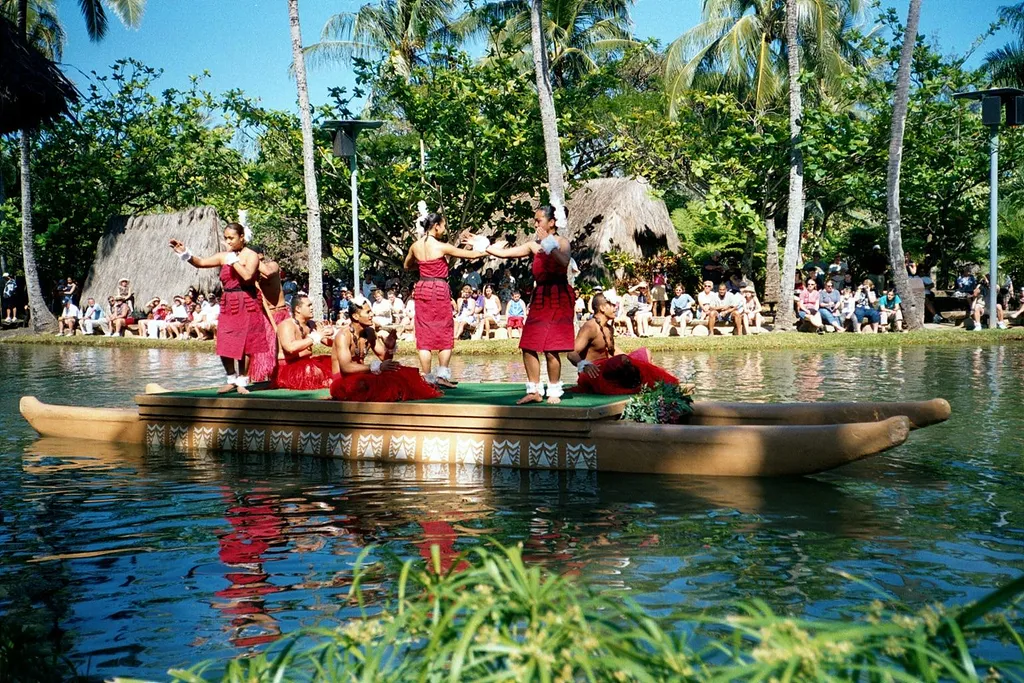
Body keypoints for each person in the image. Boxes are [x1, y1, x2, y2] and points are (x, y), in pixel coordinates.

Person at [485, 203, 576, 404]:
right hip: (540, 297)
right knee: (528, 345)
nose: (535, 224)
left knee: (551, 349)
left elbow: (563, 262)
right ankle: (534, 390)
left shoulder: (562, 242)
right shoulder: (533, 245)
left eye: (538, 220)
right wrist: (485, 245)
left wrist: (549, 243)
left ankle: (554, 390)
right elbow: (505, 254)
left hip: (558, 296)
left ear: (552, 222)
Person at [170, 222, 270, 394]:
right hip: (228, 302)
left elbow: (247, 276)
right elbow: (201, 263)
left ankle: (243, 381)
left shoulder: (251, 255)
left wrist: (233, 261)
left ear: (241, 237)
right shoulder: (224, 256)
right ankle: (231, 378)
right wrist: (185, 253)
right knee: (225, 340)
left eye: (232, 238)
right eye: (226, 238)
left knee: (245, 343)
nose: (228, 241)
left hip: (246, 300)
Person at [403, 209, 486, 387]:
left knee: (424, 335)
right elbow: (473, 255)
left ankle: (427, 378)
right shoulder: (442, 246)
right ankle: (441, 376)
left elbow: (406, 265)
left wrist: (422, 267)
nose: (445, 229)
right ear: (436, 226)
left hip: (422, 288)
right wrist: (488, 248)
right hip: (439, 289)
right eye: (443, 226)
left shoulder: (415, 246)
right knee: (445, 332)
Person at [329, 297, 442, 402]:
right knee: (364, 384)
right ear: (355, 316)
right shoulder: (343, 336)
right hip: (343, 381)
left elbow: (385, 358)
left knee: (400, 372)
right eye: (368, 312)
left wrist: (390, 347)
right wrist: (376, 367)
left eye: (371, 311)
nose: (372, 315)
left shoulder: (369, 332)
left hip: (362, 375)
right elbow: (346, 367)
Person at [568, 293, 679, 395]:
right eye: (612, 305)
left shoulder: (609, 328)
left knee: (644, 353)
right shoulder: (590, 326)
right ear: (602, 308)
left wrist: (633, 361)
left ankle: (655, 382)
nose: (616, 308)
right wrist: (583, 365)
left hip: (609, 371)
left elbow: (614, 351)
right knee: (622, 360)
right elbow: (571, 353)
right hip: (593, 375)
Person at [270, 295, 334, 389]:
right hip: (288, 367)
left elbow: (327, 342)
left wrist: (334, 333)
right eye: (309, 305)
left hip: (307, 362)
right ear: (298, 309)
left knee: (334, 363)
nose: (312, 308)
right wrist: (314, 337)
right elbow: (290, 348)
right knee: (313, 371)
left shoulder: (311, 324)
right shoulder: (286, 325)